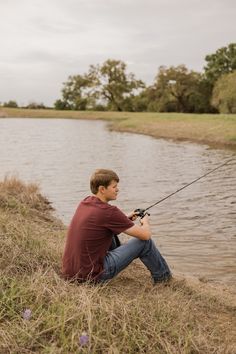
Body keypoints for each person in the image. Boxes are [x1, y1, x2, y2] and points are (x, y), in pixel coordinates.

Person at [62, 169, 171, 284]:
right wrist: (145, 222)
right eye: (114, 187)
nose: (117, 189)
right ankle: (164, 279)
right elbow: (146, 235)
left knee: (110, 232)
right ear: (102, 189)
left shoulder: (85, 202)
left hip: (71, 273)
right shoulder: (109, 212)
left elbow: (103, 222)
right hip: (92, 276)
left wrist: (125, 219)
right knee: (145, 243)